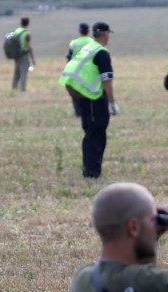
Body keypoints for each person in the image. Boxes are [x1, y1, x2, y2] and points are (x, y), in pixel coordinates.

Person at [60, 22, 120, 179]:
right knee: (96, 134)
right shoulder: (101, 52)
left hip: (81, 95)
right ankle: (92, 172)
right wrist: (113, 102)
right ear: (106, 34)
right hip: (94, 98)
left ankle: (89, 169)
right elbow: (107, 80)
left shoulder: (87, 48)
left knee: (89, 134)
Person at [66, 22, 92, 116]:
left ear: (79, 31)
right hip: (89, 73)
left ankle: (78, 112)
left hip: (75, 72)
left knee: (76, 94)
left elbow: (68, 59)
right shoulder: (92, 43)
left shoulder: (74, 43)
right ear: (88, 31)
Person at [11, 17, 36, 92]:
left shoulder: (16, 31)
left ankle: (14, 88)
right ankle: (23, 90)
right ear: (28, 23)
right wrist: (32, 58)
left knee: (16, 73)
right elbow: (29, 46)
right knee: (23, 73)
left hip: (16, 55)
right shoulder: (26, 33)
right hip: (24, 55)